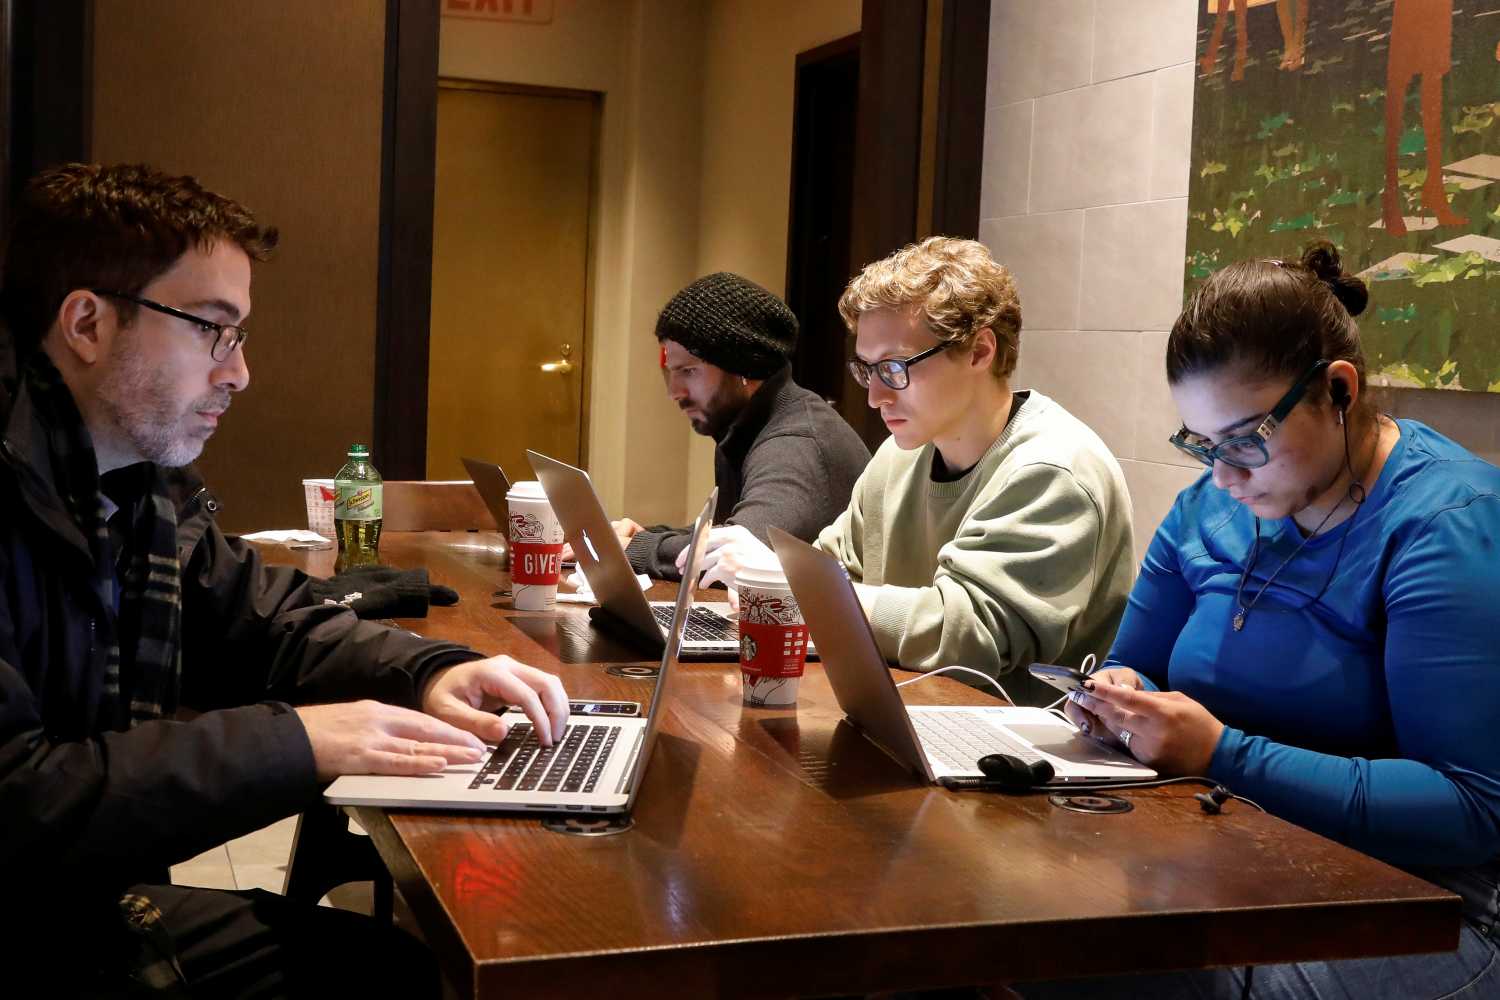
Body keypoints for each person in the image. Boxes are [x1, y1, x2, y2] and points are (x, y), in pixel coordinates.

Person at [0, 163, 570, 996]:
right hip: (29, 915)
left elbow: (262, 620)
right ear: (86, 322)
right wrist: (300, 742)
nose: (238, 373)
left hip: (63, 898)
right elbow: (19, 800)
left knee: (392, 969)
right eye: (212, 329)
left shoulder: (132, 489)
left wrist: (431, 670)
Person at [1021, 243, 1500, 997]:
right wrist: (1118, 697)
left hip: (1433, 901)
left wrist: (1221, 753)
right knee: (1026, 914)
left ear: (1338, 390)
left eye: (1246, 440)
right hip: (1239, 843)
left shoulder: (1444, 525)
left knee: (1145, 975)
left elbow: (1471, 808)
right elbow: (1133, 663)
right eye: (1202, 444)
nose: (1223, 475)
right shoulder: (1208, 510)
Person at [696, 238, 1135, 706]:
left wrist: (796, 585)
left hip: (1014, 740)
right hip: (912, 715)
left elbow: (969, 639)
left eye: (895, 367)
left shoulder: (1054, 470)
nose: (875, 397)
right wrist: (773, 581)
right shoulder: (900, 455)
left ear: (979, 351)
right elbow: (834, 566)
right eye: (867, 370)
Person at [610, 272, 870, 580]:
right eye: (671, 372)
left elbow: (738, 556)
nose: (674, 392)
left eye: (688, 371)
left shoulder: (795, 444)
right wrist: (648, 537)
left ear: (745, 367)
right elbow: (730, 536)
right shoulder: (747, 425)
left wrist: (636, 548)